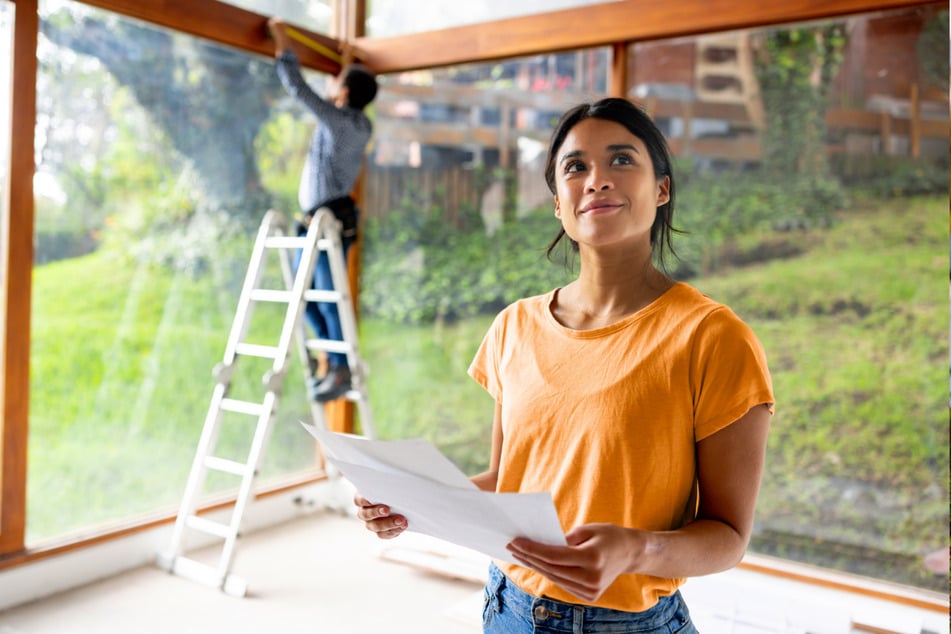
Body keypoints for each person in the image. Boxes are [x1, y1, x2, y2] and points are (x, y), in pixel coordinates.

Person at [354, 97, 774, 633]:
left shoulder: (712, 336)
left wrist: (635, 550)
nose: (596, 179)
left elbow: (728, 538)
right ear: (558, 202)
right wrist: (412, 501)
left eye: (622, 160)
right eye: (575, 166)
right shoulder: (514, 326)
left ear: (662, 189)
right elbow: (510, 485)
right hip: (508, 608)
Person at [268, 17, 378, 402]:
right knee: (308, 298)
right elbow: (339, 97)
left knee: (327, 297)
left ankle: (339, 367)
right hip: (322, 220)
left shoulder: (338, 121)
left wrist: (281, 40)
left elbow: (299, 89)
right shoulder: (361, 124)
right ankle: (333, 363)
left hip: (327, 221)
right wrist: (347, 64)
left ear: (344, 92)